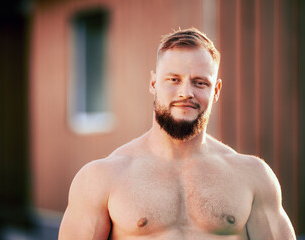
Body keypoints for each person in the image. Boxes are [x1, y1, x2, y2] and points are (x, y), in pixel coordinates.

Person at [58, 27, 296, 239]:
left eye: (200, 82)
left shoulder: (253, 177)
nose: (186, 92)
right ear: (153, 83)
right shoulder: (101, 178)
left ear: (216, 90)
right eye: (173, 79)